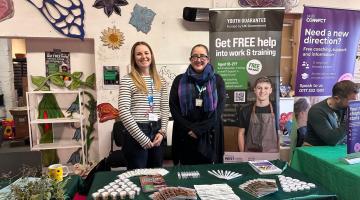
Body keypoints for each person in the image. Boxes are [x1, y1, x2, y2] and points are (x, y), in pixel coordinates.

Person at [170, 44, 225, 165]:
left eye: (202, 56)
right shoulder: (179, 80)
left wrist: (199, 130)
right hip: (186, 135)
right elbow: (173, 108)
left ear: (208, 59)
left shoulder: (218, 80)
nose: (198, 59)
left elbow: (219, 109)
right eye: (194, 56)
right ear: (190, 59)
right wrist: (190, 129)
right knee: (187, 175)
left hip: (210, 135)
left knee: (210, 175)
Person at [118, 41, 169, 169]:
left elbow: (164, 108)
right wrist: (142, 138)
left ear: (151, 55)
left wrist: (162, 132)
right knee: (137, 176)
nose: (143, 56)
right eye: (138, 54)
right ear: (134, 58)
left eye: (146, 53)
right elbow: (123, 111)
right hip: (136, 132)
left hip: (157, 131)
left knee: (156, 175)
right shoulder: (127, 80)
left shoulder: (160, 80)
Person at [304, 80, 359, 146]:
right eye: (352, 101)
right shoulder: (317, 111)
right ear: (337, 99)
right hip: (315, 150)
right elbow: (331, 140)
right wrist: (351, 120)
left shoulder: (346, 107)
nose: (354, 104)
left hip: (338, 148)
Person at [237, 76, 278, 152]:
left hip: (272, 155)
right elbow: (241, 134)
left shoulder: (277, 110)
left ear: (270, 90)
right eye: (259, 88)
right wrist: (243, 155)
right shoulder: (245, 111)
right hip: (250, 154)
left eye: (266, 88)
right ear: (254, 90)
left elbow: (280, 134)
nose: (262, 91)